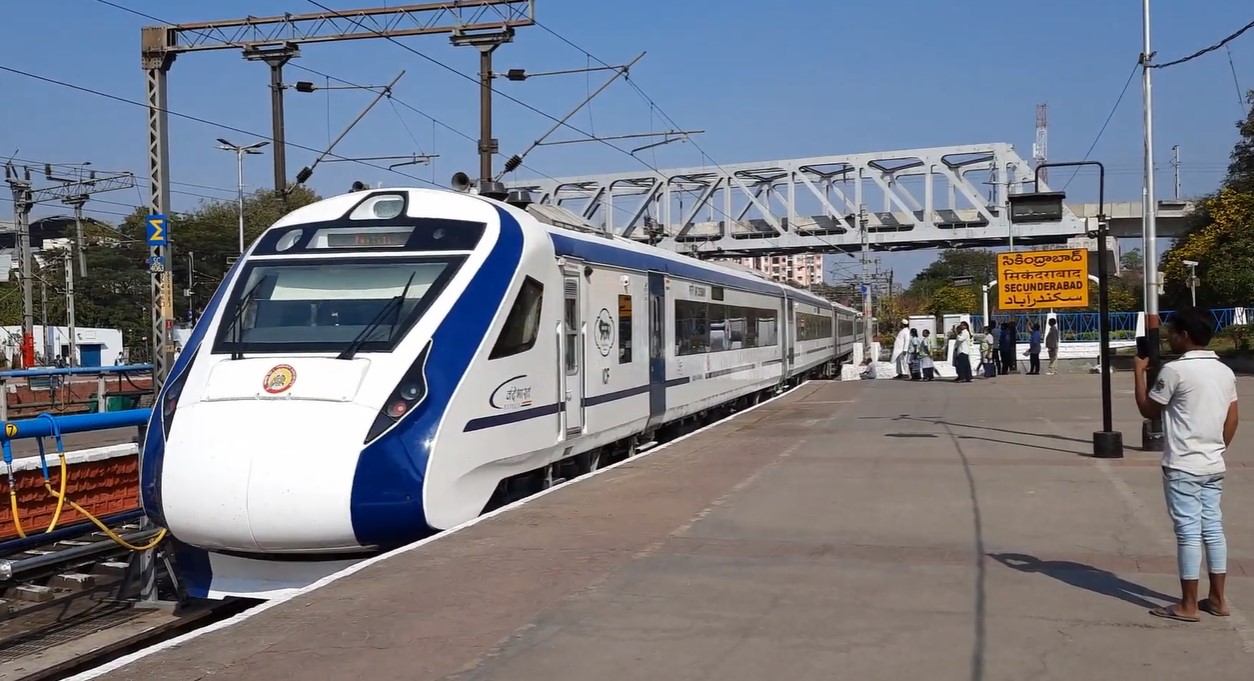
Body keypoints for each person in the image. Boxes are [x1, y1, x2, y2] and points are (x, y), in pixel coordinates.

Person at [1133, 306, 1239, 623]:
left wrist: (1139, 372)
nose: (1168, 337)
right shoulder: (1224, 371)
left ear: (1185, 335)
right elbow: (1232, 418)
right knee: (1213, 530)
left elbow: (1148, 410)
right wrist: (1217, 448)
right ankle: (1218, 598)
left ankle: (1188, 604)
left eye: (1172, 332)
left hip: (1182, 466)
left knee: (1188, 534)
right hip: (1212, 463)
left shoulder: (1175, 371)